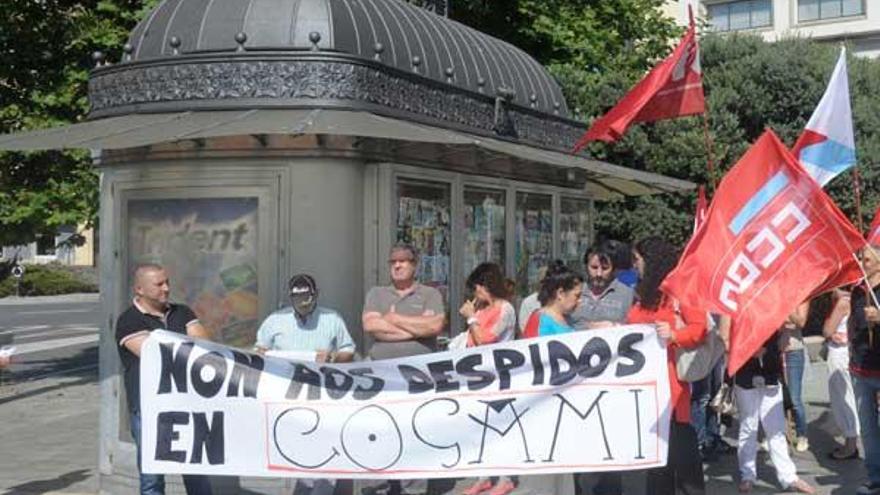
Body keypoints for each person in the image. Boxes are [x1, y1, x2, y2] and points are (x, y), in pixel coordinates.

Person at [115, 263, 213, 495]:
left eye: (167, 282)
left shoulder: (182, 312)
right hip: (149, 410)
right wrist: (185, 346)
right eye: (159, 284)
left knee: (196, 470)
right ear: (140, 289)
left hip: (187, 406)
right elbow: (156, 355)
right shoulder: (129, 320)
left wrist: (175, 345)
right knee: (152, 477)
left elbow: (205, 346)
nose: (166, 288)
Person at [255, 274, 354, 495]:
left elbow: (348, 350)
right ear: (290, 297)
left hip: (323, 395)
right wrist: (265, 354)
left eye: (307, 296)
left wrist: (332, 358)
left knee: (322, 447)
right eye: (297, 297)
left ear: (315, 294)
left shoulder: (332, 319)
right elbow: (258, 351)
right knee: (293, 448)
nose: (303, 301)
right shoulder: (274, 321)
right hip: (286, 397)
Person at [625, 237, 706, 495]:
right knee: (657, 466)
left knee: (682, 463)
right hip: (647, 388)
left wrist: (674, 335)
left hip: (672, 389)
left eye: (637, 260)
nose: (635, 265)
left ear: (651, 261)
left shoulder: (681, 288)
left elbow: (699, 328)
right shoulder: (644, 291)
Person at [362, 244, 445, 495]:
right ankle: (378, 485)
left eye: (403, 261)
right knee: (378, 428)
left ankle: (413, 488)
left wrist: (395, 319)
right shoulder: (377, 293)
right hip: (381, 377)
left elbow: (435, 326)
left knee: (414, 429)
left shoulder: (430, 294)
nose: (397, 266)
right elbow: (370, 325)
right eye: (392, 262)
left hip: (417, 377)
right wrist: (415, 328)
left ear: (414, 265)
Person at [459, 262, 519, 495]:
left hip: (499, 375)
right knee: (481, 427)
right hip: (478, 376)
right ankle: (484, 475)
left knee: (501, 425)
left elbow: (485, 338)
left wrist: (471, 319)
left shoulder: (505, 309)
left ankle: (506, 477)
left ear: (485, 286)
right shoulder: (482, 309)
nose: (475, 294)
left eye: (477, 288)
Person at [730, 330, 815, 494]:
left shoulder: (773, 306)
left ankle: (789, 476)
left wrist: (779, 343)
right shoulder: (738, 306)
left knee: (776, 428)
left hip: (771, 371)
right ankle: (747, 474)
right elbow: (725, 337)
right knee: (748, 426)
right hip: (745, 371)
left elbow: (784, 336)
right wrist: (746, 349)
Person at [849, 246, 880, 495]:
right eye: (860, 258)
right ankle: (875, 476)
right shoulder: (857, 290)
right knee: (868, 429)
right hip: (860, 368)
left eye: (867, 259)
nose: (862, 262)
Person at [823, 287, 859, 460]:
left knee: (842, 399)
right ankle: (852, 440)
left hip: (839, 353)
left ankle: (850, 444)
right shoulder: (859, 299)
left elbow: (827, 330)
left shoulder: (843, 303)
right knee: (851, 396)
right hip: (850, 352)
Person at [568, 241, 634, 331]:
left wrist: (615, 326)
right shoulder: (573, 291)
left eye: (605, 268)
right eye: (594, 267)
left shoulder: (628, 294)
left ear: (614, 269)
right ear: (586, 266)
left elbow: (636, 326)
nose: (599, 274)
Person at [522, 261, 582, 338]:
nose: (580, 301)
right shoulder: (540, 322)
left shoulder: (568, 319)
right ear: (560, 293)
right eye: (577, 296)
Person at [782, 302, 810, 453]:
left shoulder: (801, 299)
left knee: (794, 398)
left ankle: (801, 434)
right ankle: (781, 433)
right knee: (777, 396)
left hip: (794, 350)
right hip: (778, 349)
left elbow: (801, 322)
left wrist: (784, 310)